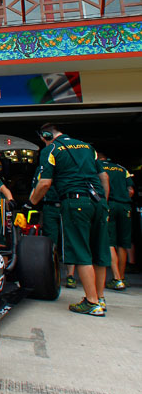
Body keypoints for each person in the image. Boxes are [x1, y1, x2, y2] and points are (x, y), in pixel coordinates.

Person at [29, 123, 109, 316]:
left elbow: (45, 183)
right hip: (98, 201)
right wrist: (103, 202)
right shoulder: (87, 147)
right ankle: (100, 298)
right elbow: (104, 176)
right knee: (99, 250)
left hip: (75, 202)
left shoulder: (52, 150)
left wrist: (30, 203)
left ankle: (91, 302)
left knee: (81, 251)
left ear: (46, 135)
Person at [96, 151, 134, 290]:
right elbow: (131, 191)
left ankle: (116, 278)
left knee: (109, 241)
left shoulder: (97, 166)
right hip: (125, 207)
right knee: (123, 243)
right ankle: (121, 277)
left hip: (109, 204)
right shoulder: (122, 168)